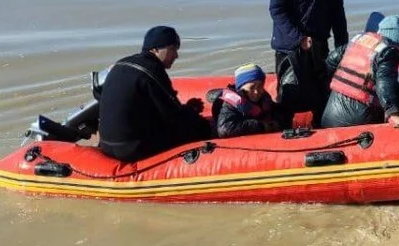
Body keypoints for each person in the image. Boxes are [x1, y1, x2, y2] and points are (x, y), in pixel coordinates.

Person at [269, 0, 348, 126]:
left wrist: (343, 49)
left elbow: (338, 12)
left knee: (322, 94)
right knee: (289, 95)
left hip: (319, 45)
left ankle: (321, 133)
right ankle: (283, 134)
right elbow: (276, 10)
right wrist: (298, 39)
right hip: (289, 47)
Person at [98, 26, 212, 162]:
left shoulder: (122, 63)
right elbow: (173, 115)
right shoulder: (152, 70)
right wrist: (196, 117)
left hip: (106, 145)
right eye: (173, 49)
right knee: (199, 129)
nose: (176, 55)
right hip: (132, 149)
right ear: (156, 49)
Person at [321, 16, 399, 129]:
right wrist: (393, 114)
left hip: (329, 115)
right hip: (358, 119)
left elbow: (331, 61)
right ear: (397, 42)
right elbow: (384, 82)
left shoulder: (357, 42)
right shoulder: (389, 52)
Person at [214, 64, 288, 138]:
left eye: (260, 86)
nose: (256, 91)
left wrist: (277, 123)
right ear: (241, 88)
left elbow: (281, 111)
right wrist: (260, 126)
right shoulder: (230, 105)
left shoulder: (264, 98)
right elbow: (224, 129)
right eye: (251, 87)